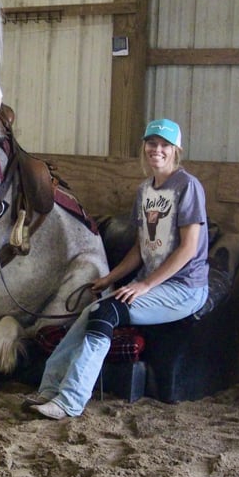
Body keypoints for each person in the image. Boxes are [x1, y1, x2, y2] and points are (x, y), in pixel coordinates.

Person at [25, 118, 210, 419]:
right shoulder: (145, 191)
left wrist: (145, 285)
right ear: (144, 147)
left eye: (165, 145)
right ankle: (48, 391)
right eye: (152, 143)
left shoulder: (187, 186)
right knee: (90, 312)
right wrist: (110, 278)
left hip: (184, 288)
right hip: (154, 283)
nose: (157, 150)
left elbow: (189, 248)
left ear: (177, 150)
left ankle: (69, 401)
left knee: (105, 312)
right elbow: (142, 246)